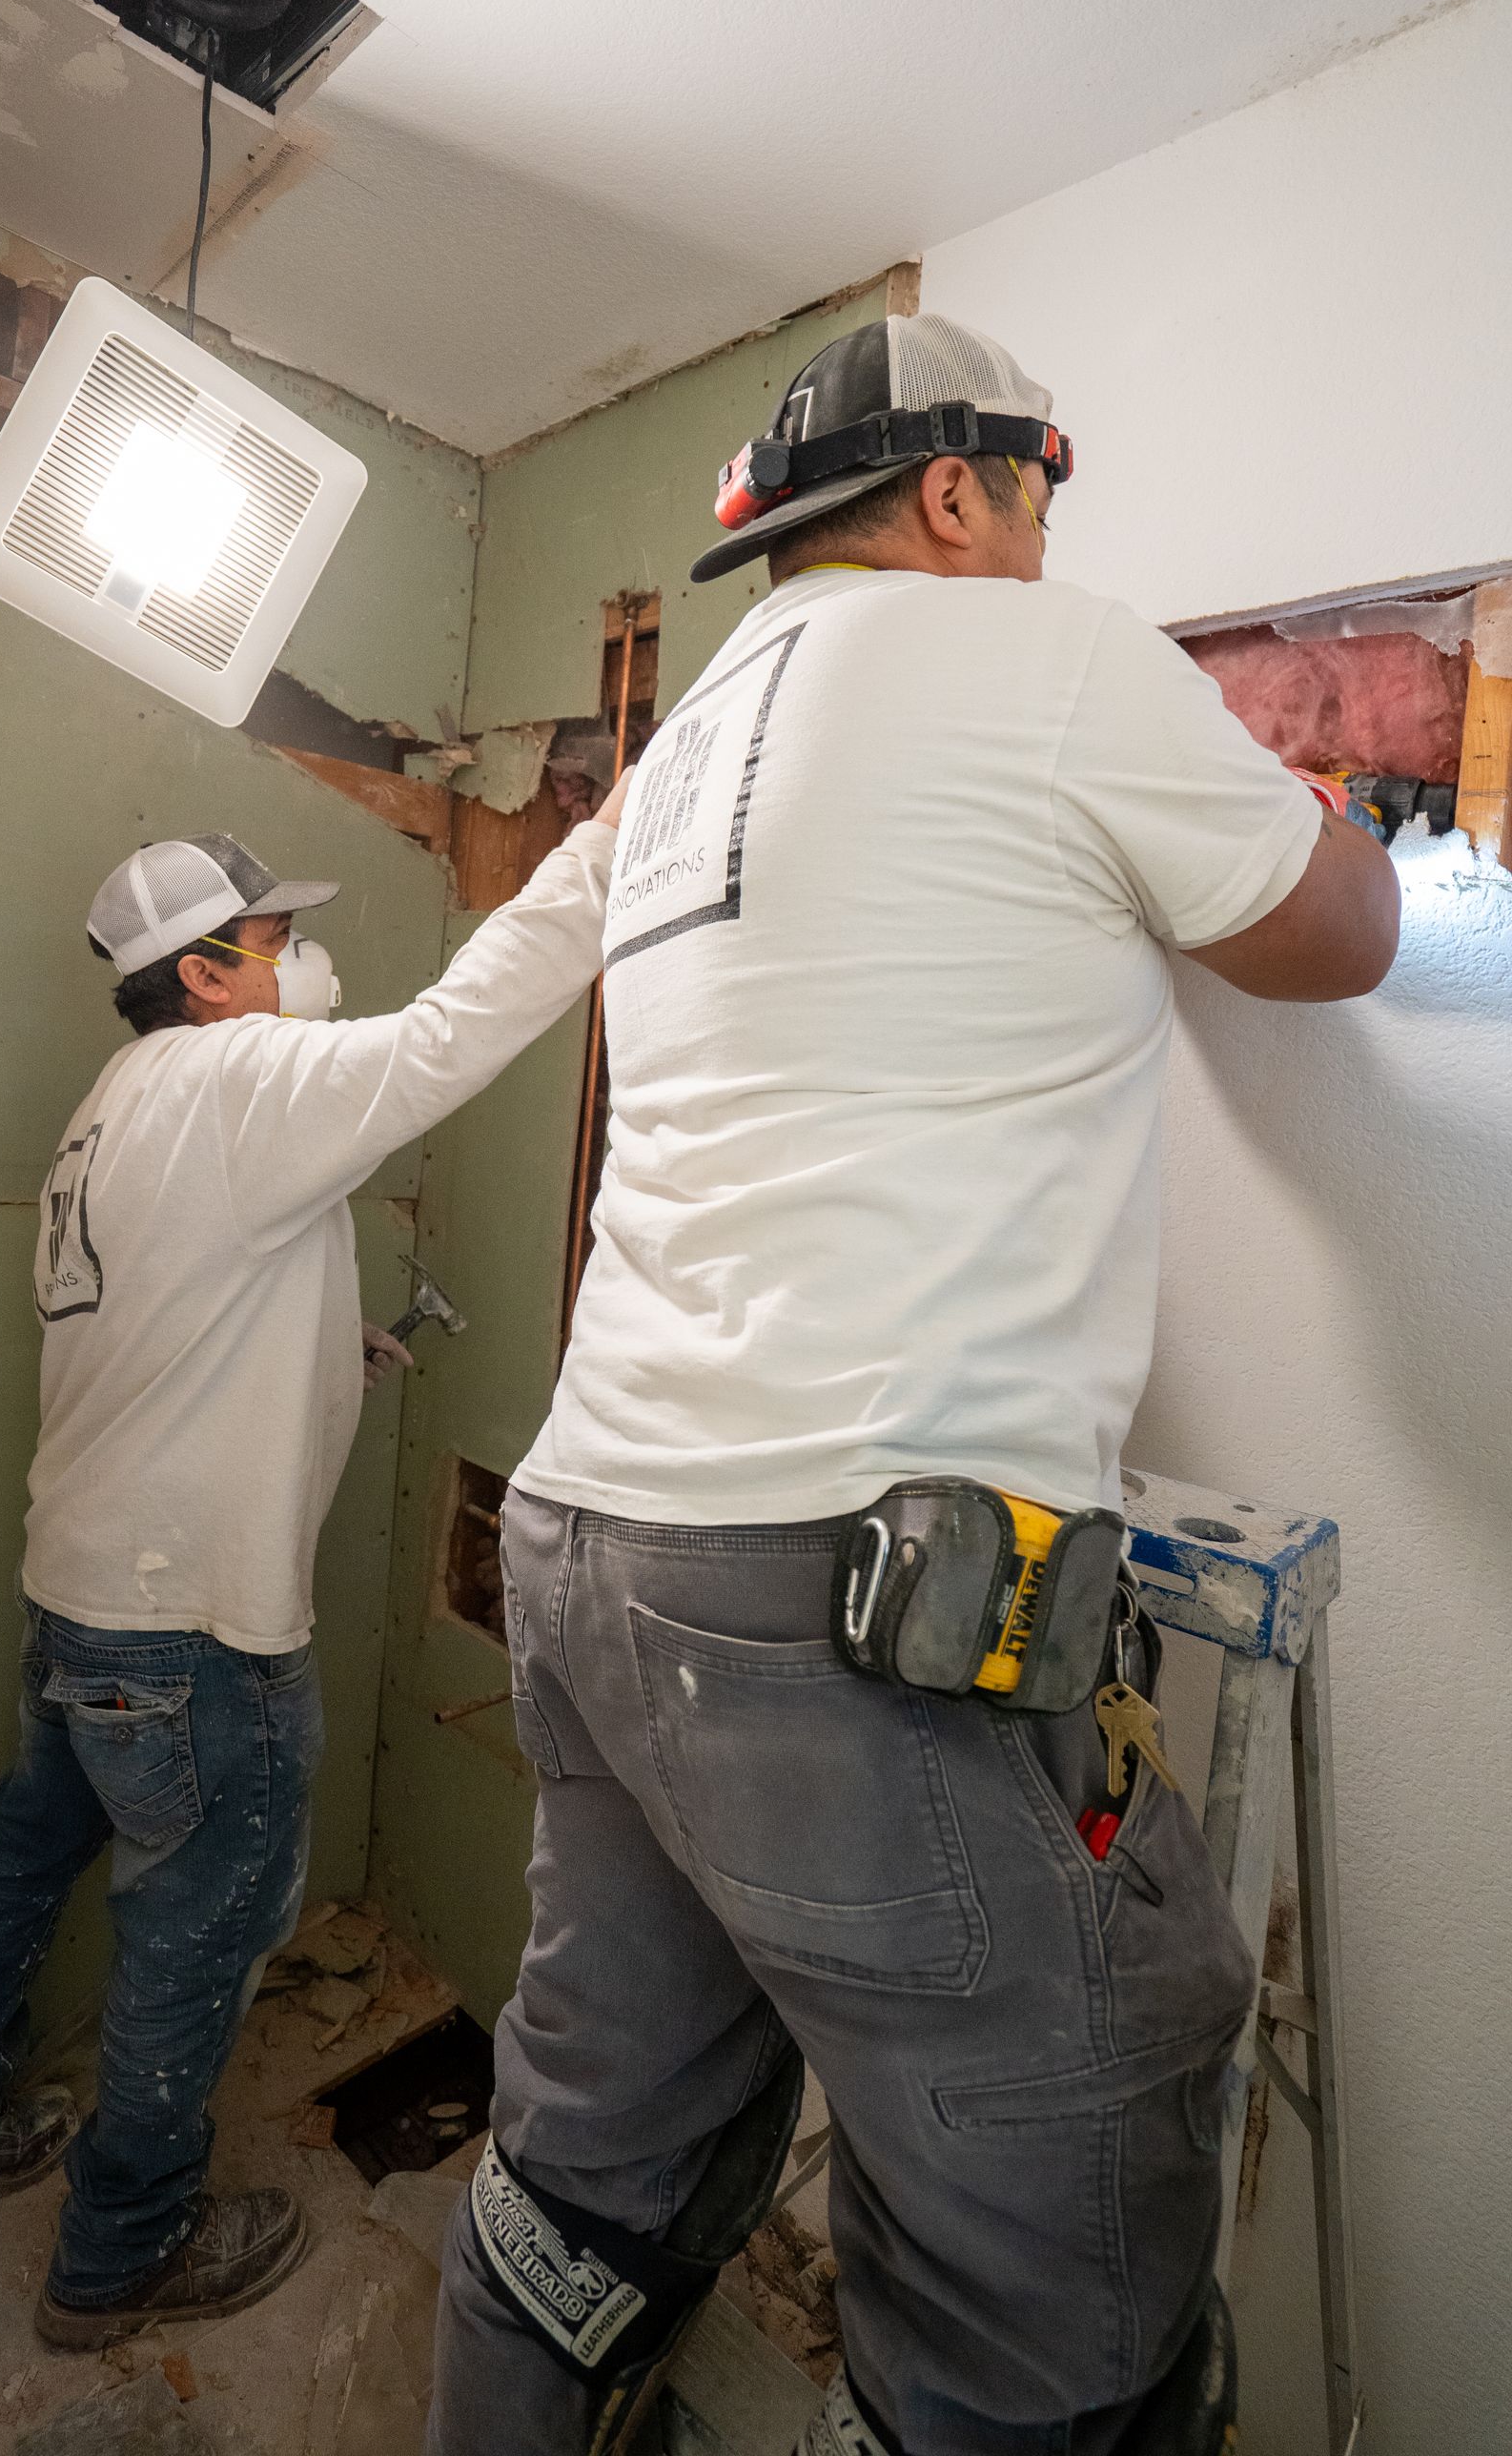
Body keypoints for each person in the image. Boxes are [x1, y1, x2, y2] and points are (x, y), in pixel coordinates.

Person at [426, 316, 1399, 2456]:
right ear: (957, 491)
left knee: (586, 2182)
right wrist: (1310, 800)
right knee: (1040, 2305)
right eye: (1039, 500)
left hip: (599, 1552)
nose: (1049, 545)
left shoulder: (679, 749)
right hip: (847, 1618)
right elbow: (1340, 934)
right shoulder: (1056, 662)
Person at [0, 792, 628, 2348]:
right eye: (277, 940)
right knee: (197, 1931)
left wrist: (341, 1346)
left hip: (79, 1597)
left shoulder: (115, 1105)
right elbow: (452, 1035)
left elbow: (178, 1319)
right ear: (203, 975)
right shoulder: (236, 1078)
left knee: (15, 1872)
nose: (300, 960)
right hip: (193, 1625)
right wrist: (600, 852)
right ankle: (121, 2252)